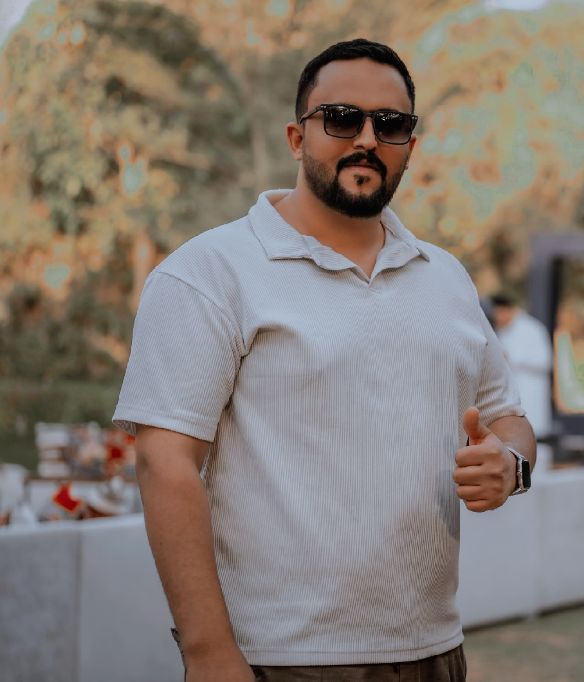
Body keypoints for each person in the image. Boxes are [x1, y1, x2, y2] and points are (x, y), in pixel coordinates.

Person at [112, 39, 535, 682]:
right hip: (280, 661)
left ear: (410, 145)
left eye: (390, 124)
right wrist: (207, 653)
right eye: (341, 118)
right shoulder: (209, 272)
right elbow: (165, 463)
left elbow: (508, 419)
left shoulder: (445, 276)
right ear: (296, 137)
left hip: (436, 652)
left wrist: (511, 465)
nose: (366, 139)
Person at [490, 294, 553, 473]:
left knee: (535, 439)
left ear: (506, 309)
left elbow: (545, 360)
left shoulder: (532, 329)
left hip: (531, 392)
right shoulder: (502, 331)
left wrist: (512, 358)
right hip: (511, 395)